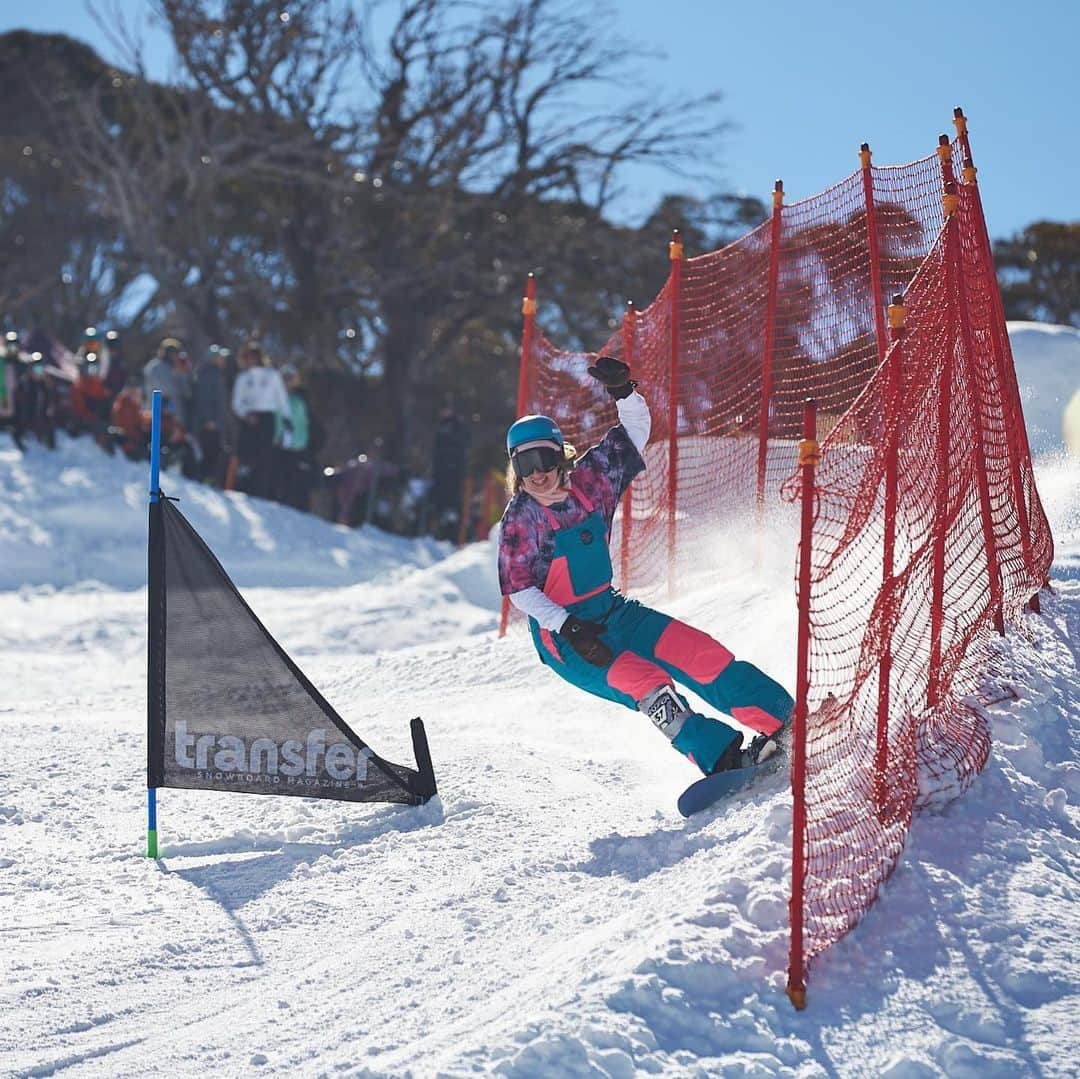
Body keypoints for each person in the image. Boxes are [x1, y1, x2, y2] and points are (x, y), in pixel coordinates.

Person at [497, 356, 794, 778]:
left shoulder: (589, 483)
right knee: (648, 684)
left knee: (698, 653)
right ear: (516, 471)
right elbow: (520, 589)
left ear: (560, 456)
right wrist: (568, 626)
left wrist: (624, 393)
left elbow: (633, 434)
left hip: (611, 610)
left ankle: (789, 724)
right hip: (564, 638)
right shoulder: (520, 519)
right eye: (526, 466)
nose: (539, 474)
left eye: (545, 459)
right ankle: (721, 758)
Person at [231, 341, 289, 499]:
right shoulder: (243, 377)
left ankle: (261, 492)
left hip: (266, 418)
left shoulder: (272, 375)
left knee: (264, 455)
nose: (251, 360)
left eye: (254, 357)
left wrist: (286, 417)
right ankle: (241, 487)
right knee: (246, 454)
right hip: (249, 418)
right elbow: (237, 402)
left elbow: (281, 398)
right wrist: (246, 414)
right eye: (248, 357)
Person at [191, 345, 231, 485]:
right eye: (220, 357)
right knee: (210, 453)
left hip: (214, 422)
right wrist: (209, 419)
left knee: (215, 453)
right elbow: (205, 398)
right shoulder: (208, 374)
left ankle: (208, 480)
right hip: (208, 423)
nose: (223, 360)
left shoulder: (215, 373)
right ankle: (204, 481)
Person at [143, 337, 191, 423]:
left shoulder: (177, 368)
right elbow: (164, 389)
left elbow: (187, 392)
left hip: (176, 412)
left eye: (175, 353)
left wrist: (182, 372)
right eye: (170, 352)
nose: (173, 355)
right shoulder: (155, 367)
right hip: (158, 409)